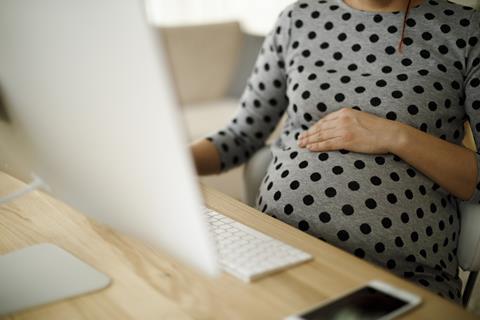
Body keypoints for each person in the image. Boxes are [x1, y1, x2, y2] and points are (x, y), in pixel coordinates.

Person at [191, 0, 480, 302]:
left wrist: (396, 136)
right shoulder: (297, 20)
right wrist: (164, 161)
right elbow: (241, 135)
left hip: (398, 278)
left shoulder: (465, 30)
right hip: (274, 254)